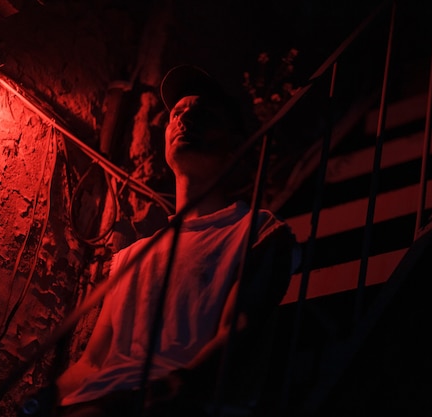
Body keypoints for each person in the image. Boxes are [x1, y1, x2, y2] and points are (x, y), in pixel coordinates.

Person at [48, 65, 297, 417]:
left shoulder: (257, 232)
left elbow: (236, 333)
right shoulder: (132, 256)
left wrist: (171, 388)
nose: (185, 118)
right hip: (96, 403)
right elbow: (91, 362)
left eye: (202, 114)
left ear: (234, 146)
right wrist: (44, 399)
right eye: (177, 113)